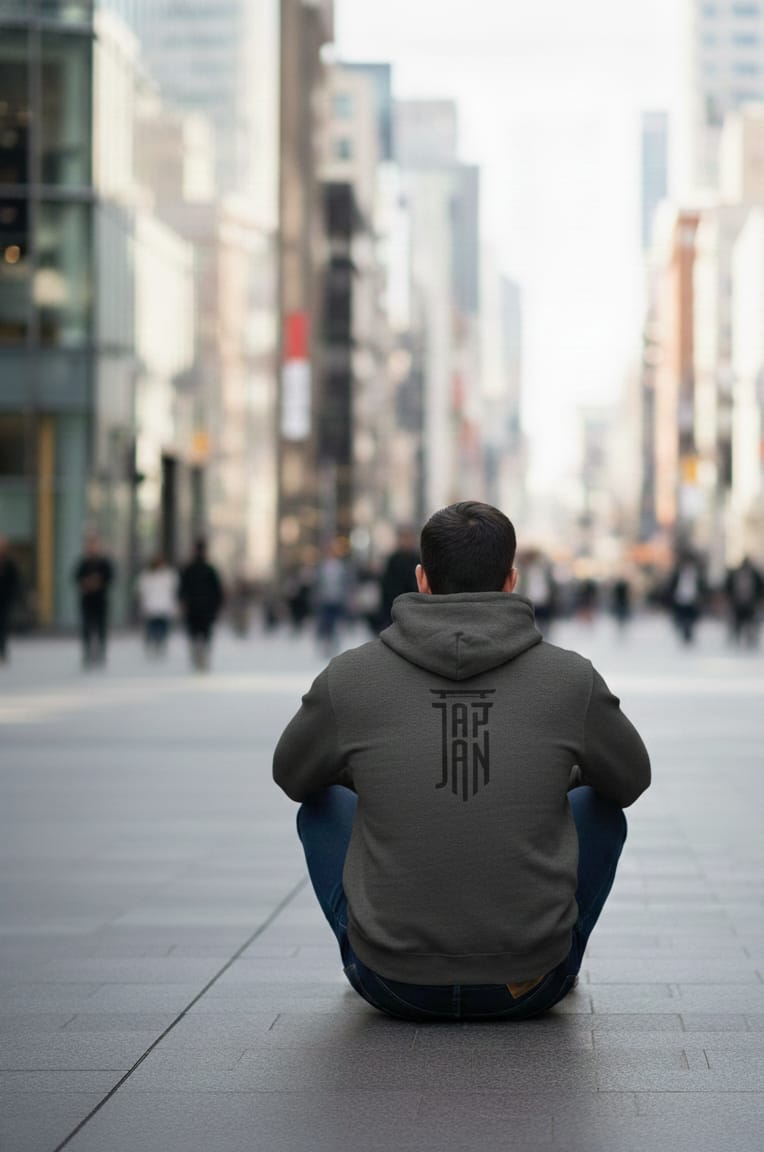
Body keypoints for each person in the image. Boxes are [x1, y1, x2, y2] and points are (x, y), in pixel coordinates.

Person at [273, 501, 650, 1022]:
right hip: (531, 983)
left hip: (390, 982)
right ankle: (552, 949)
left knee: (322, 803)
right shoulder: (570, 678)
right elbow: (631, 780)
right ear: (512, 580)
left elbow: (291, 776)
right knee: (601, 807)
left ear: (422, 580)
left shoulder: (350, 676)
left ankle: (372, 943)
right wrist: (556, 774)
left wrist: (372, 773)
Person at [178, 538, 224, 671]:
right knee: (205, 634)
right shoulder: (209, 569)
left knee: (195, 634)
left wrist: (183, 603)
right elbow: (218, 591)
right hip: (204, 608)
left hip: (195, 607)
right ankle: (201, 657)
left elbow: (182, 590)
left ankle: (198, 657)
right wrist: (217, 606)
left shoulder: (190, 569)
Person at [73, 534, 114, 667]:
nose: (92, 548)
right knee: (86, 627)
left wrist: (98, 582)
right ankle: (87, 653)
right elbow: (76, 578)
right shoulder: (83, 563)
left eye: (95, 545)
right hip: (87, 601)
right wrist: (86, 583)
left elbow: (110, 578)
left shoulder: (104, 563)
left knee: (101, 627)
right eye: (90, 545)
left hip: (101, 600)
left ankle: (101, 652)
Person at [313, 540, 352, 656]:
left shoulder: (342, 566)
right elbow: (317, 584)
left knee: (337, 624)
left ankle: (335, 645)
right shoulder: (321, 567)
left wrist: (348, 597)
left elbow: (347, 583)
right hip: (325, 600)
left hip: (338, 600)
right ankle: (326, 645)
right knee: (326, 624)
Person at [380, 527, 420, 628]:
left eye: (408, 537)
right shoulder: (393, 559)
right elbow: (387, 584)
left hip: (414, 606)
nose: (406, 541)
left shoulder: (417, 558)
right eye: (404, 537)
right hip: (394, 606)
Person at [137, 554, 176, 657]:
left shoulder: (168, 574)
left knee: (162, 628)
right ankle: (152, 645)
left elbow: (173, 589)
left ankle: (159, 645)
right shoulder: (146, 575)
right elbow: (141, 589)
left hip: (163, 606)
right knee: (151, 628)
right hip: (151, 607)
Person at [725, 556, 764, 648]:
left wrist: (759, 599)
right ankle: (736, 638)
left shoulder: (755, 575)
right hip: (738, 602)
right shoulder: (735, 574)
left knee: (751, 622)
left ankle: (750, 639)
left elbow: (760, 588)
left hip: (750, 603)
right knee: (737, 622)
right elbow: (729, 586)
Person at [668, 550, 705, 645]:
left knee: (691, 619)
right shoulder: (678, 572)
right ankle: (685, 635)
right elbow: (672, 585)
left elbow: (701, 586)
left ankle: (689, 635)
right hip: (681, 599)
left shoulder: (697, 573)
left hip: (693, 599)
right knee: (682, 619)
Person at [0, 536, 20, 664]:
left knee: (3, 626)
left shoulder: (10, 563)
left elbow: (15, 582)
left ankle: (3, 651)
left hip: (4, 601)